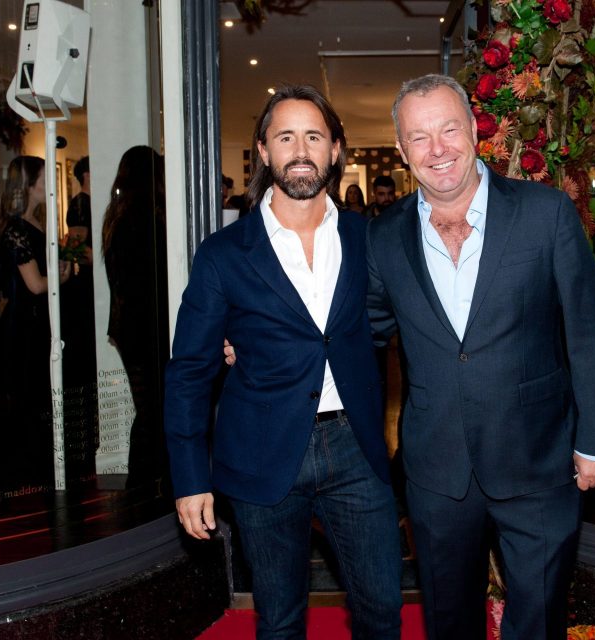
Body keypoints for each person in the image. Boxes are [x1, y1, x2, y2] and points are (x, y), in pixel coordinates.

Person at [365, 74, 595, 639]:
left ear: (475, 131)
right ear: (402, 150)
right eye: (419, 137)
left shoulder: (545, 213)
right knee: (448, 620)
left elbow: (589, 331)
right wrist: (256, 345)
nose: (438, 149)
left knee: (539, 619)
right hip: (436, 469)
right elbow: (361, 332)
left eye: (449, 129)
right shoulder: (383, 237)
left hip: (538, 459)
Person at [164, 85, 402, 639]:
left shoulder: (370, 240)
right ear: (263, 151)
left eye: (314, 137)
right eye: (286, 136)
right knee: (279, 621)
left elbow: (392, 322)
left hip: (355, 447)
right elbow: (189, 371)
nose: (300, 150)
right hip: (261, 450)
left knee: (382, 610)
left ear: (335, 150)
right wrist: (190, 478)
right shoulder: (223, 253)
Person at [0, 155, 71, 484]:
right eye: (43, 178)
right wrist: (63, 276)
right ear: (28, 184)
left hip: (37, 321)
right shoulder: (16, 229)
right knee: (29, 397)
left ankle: (41, 468)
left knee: (40, 396)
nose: (48, 184)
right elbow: (36, 285)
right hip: (23, 325)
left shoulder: (34, 224)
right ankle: (29, 474)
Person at [102, 146, 170, 490]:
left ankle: (144, 484)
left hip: (130, 326)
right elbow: (150, 281)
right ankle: (146, 484)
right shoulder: (144, 219)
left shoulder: (118, 217)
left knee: (149, 408)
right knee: (154, 410)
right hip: (146, 327)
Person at [61, 155, 98, 481]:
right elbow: (73, 250)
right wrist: (98, 254)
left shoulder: (90, 202)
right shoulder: (80, 204)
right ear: (87, 174)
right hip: (83, 288)